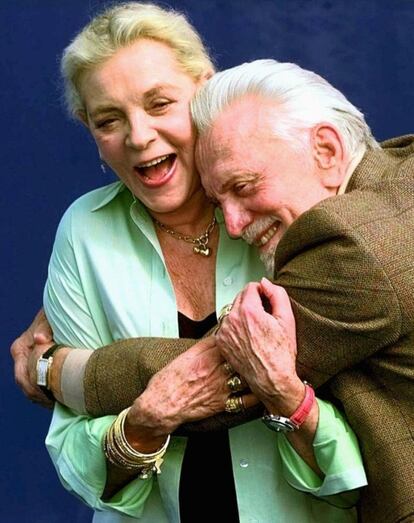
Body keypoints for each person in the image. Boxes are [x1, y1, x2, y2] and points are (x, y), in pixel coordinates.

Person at [11, 4, 367, 523]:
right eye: (108, 119)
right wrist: (144, 423)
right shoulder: (84, 232)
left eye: (160, 103)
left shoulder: (282, 206)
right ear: (89, 130)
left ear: (204, 89)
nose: (138, 136)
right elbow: (74, 453)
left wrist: (58, 371)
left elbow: (363, 438)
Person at [187, 58, 414, 523]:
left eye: (244, 185)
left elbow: (207, 374)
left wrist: (60, 369)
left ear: (326, 151)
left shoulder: (356, 243)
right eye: (218, 202)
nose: (232, 225)